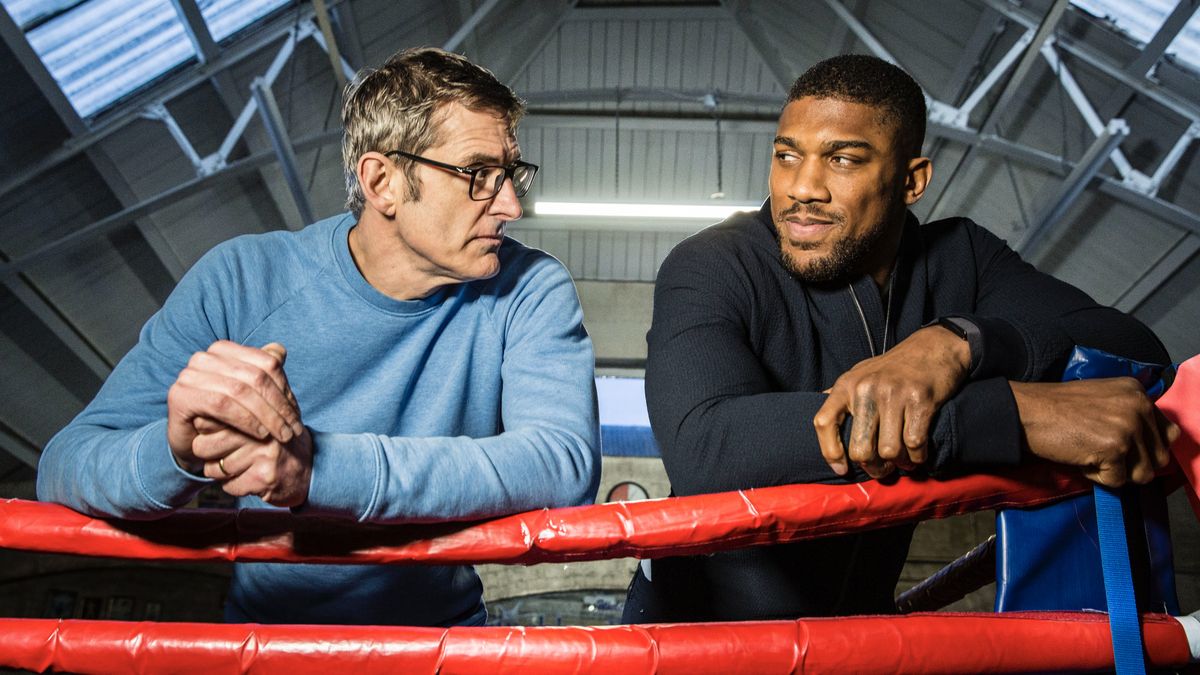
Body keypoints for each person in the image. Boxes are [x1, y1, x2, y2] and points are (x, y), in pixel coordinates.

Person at [37, 47, 601, 627]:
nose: (510, 204)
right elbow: (64, 466)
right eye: (477, 174)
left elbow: (561, 465)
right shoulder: (243, 281)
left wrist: (316, 469)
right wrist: (180, 450)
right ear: (382, 182)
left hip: (441, 644)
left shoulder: (531, 286)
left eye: (511, 174)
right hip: (265, 647)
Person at [622, 54, 1178, 623]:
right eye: (787, 156)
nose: (803, 188)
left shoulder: (961, 258)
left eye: (842, 159)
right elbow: (707, 446)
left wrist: (957, 344)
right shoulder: (715, 262)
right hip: (699, 640)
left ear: (912, 181)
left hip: (858, 640)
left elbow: (1132, 348)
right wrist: (1009, 417)